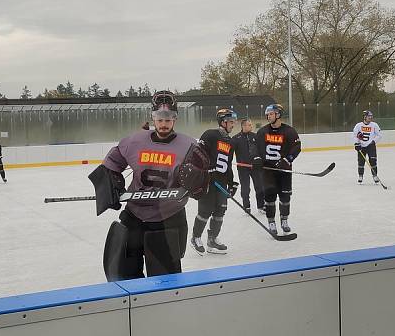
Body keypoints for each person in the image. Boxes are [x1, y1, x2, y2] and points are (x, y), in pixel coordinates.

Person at [90, 90, 208, 280]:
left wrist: (197, 181)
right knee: (125, 279)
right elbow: (111, 164)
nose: (163, 124)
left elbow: (201, 187)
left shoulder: (189, 146)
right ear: (153, 118)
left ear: (175, 119)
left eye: (168, 119)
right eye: (159, 119)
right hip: (134, 217)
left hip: (168, 219)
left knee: (165, 284)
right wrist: (112, 183)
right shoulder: (134, 141)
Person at [190, 107, 238, 255]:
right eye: (230, 121)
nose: (233, 124)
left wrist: (232, 182)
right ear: (222, 122)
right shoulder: (210, 134)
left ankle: (212, 239)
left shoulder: (230, 141)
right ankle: (195, 238)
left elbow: (228, 165)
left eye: (233, 122)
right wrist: (206, 169)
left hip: (221, 182)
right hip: (208, 181)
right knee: (205, 211)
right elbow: (197, 153)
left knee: (220, 211)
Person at [256, 104, 301, 236]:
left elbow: (297, 147)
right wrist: (257, 158)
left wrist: (287, 160)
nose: (268, 116)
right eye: (268, 114)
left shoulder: (289, 131)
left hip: (284, 171)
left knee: (285, 197)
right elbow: (255, 148)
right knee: (269, 197)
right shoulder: (262, 132)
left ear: (278, 115)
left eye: (271, 114)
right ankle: (271, 222)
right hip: (268, 171)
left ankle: (284, 221)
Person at [231, 118, 265, 213]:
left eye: (251, 125)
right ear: (243, 126)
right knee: (245, 188)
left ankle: (261, 206)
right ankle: (246, 206)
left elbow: (261, 151)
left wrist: (260, 160)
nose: (251, 126)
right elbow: (230, 153)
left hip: (256, 167)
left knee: (259, 187)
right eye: (249, 125)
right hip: (243, 168)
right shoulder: (235, 139)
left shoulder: (256, 136)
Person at [352, 110, 382, 184]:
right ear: (364, 117)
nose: (370, 117)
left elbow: (379, 135)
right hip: (361, 146)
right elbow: (354, 135)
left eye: (371, 116)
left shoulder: (374, 125)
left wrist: (373, 141)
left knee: (373, 160)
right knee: (361, 161)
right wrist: (356, 143)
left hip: (371, 146)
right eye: (369, 116)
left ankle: (375, 176)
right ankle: (360, 176)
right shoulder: (358, 125)